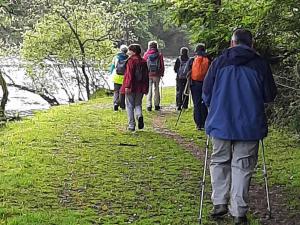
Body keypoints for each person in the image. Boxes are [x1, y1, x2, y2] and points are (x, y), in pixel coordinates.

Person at [202, 28, 277, 225]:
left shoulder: (219, 62)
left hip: (220, 122)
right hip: (249, 124)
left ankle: (219, 202)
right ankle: (238, 211)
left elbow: (206, 92)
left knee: (219, 161)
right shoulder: (260, 64)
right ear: (252, 44)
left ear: (232, 42)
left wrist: (214, 108)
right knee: (243, 166)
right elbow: (269, 95)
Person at [120, 44, 149, 131]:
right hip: (141, 87)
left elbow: (129, 75)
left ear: (133, 51)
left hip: (131, 86)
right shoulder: (144, 61)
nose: (128, 52)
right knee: (138, 104)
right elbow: (146, 76)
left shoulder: (131, 61)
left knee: (129, 105)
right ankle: (139, 115)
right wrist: (146, 88)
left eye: (129, 50)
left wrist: (127, 86)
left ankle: (131, 125)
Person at [183, 43, 210, 130]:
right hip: (206, 83)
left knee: (196, 103)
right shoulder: (209, 59)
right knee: (205, 103)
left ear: (196, 50)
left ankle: (198, 124)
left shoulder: (192, 60)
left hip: (194, 84)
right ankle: (205, 122)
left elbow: (185, 72)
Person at [143, 41, 165, 111]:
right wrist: (162, 73)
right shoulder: (159, 55)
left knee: (149, 89)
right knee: (156, 89)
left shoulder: (146, 54)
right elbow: (162, 65)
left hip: (148, 74)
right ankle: (157, 105)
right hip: (157, 74)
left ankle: (149, 105)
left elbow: (143, 65)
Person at [110, 44, 128, 111]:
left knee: (116, 91)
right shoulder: (128, 58)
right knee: (122, 92)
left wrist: (110, 73)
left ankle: (115, 104)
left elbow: (112, 67)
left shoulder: (116, 57)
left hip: (116, 77)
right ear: (126, 51)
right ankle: (122, 105)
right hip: (124, 77)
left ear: (120, 50)